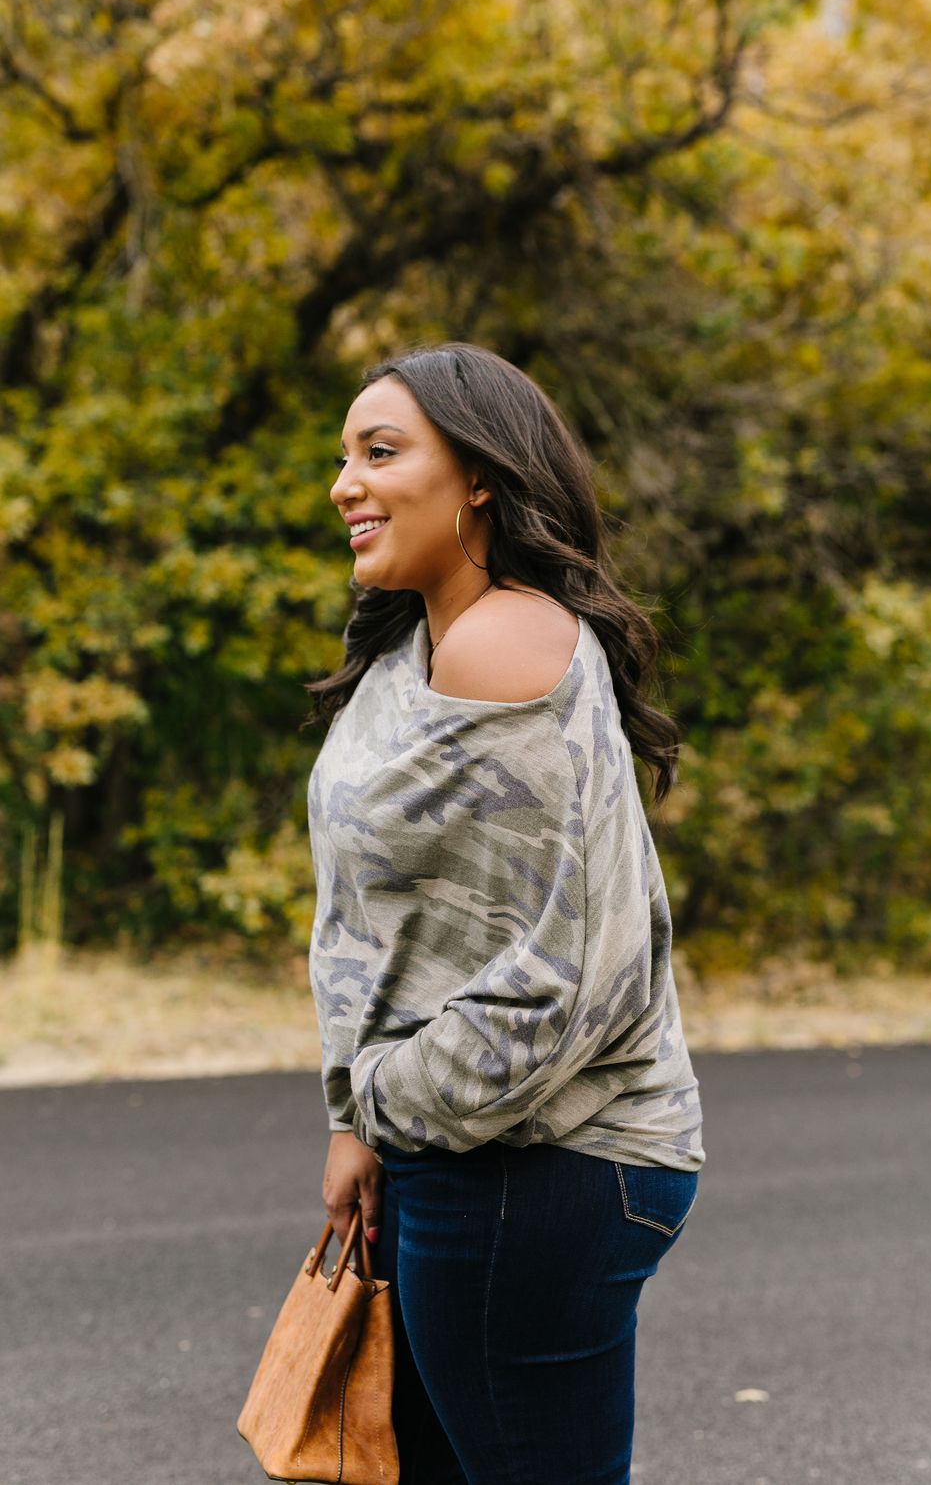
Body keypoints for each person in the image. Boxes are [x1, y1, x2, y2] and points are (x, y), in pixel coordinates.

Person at [303, 342, 706, 1485]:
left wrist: (381, 1103)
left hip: (535, 1160)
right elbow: (390, 927)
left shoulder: (501, 642)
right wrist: (358, 1122)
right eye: (342, 456)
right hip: (466, 1146)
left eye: (382, 451)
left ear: (479, 474)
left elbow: (557, 977)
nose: (345, 483)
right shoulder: (415, 640)